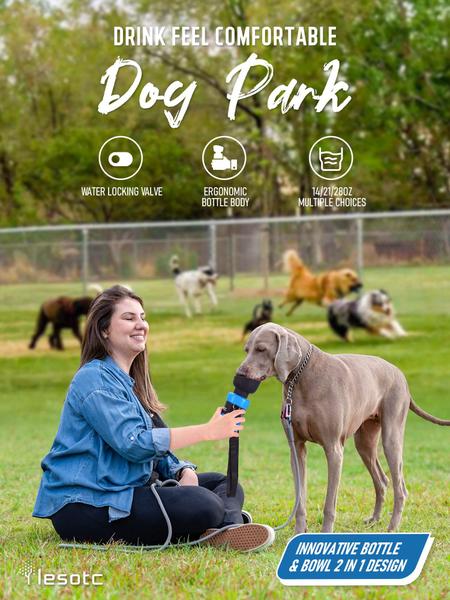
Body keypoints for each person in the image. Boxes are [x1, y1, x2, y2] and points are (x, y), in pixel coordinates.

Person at [32, 285, 275, 552]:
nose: (141, 325)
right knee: (204, 503)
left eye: (143, 317)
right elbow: (134, 443)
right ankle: (219, 523)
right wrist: (207, 431)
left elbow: (159, 451)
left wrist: (182, 471)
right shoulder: (94, 379)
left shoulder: (131, 384)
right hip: (87, 504)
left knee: (225, 483)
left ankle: (225, 529)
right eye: (129, 318)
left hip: (126, 488)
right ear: (104, 330)